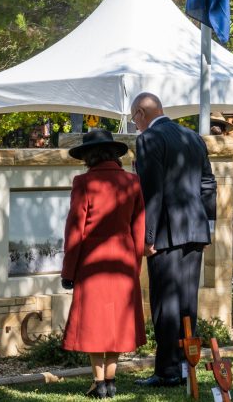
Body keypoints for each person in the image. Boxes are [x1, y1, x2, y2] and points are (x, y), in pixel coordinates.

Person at [130, 93, 216, 389]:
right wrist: (208, 225)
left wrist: (147, 237)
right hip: (195, 230)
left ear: (141, 112)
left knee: (165, 305)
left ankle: (167, 371)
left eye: (134, 119)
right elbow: (208, 184)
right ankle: (185, 365)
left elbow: (150, 193)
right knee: (186, 303)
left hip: (165, 234)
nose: (135, 126)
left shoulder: (148, 139)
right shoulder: (193, 138)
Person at [61, 129, 146, 399]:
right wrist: (135, 264)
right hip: (123, 259)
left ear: (88, 156)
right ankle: (111, 378)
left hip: (92, 261)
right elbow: (139, 228)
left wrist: (68, 270)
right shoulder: (132, 182)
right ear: (113, 153)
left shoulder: (83, 182)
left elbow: (75, 230)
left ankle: (99, 382)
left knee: (95, 321)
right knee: (116, 320)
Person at [209, 113, 233, 246]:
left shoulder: (198, 150)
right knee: (228, 244)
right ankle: (231, 267)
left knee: (207, 246)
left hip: (205, 205)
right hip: (230, 204)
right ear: (224, 132)